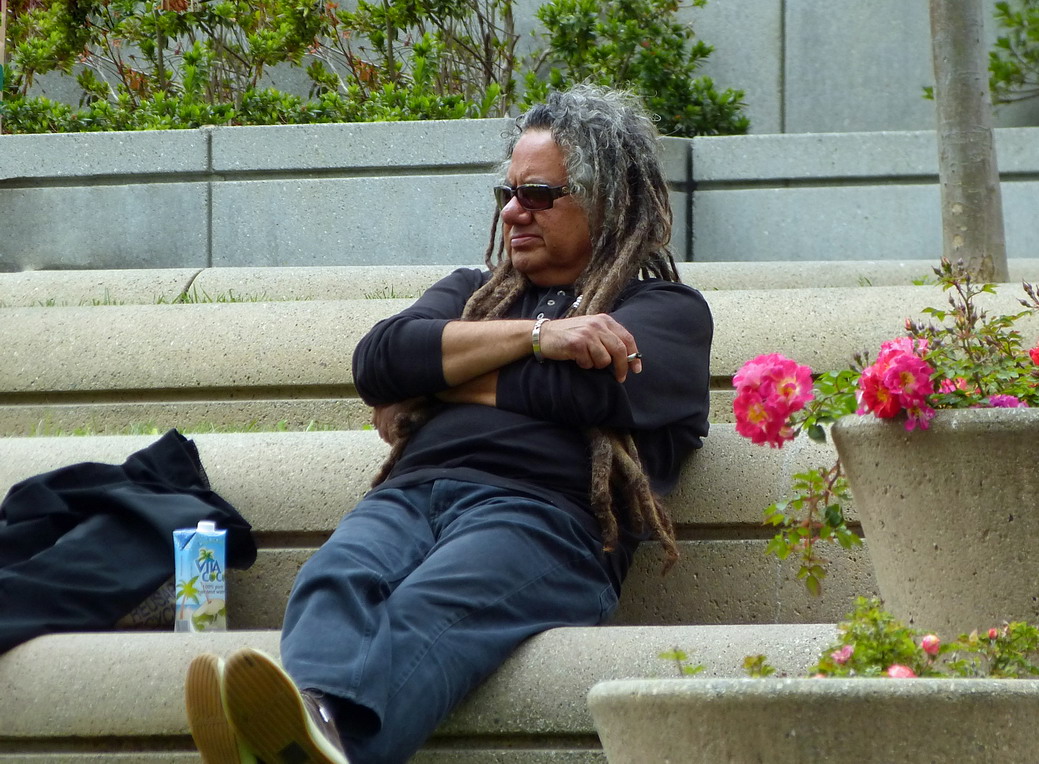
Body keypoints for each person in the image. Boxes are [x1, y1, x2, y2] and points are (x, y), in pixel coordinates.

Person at [184, 84, 713, 764]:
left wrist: (439, 383)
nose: (513, 211)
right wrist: (538, 336)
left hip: (545, 520)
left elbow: (581, 394)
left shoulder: (667, 311)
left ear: (607, 199)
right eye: (508, 193)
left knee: (425, 610)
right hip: (411, 495)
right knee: (333, 578)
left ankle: (310, 746)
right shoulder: (475, 291)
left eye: (538, 195)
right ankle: (312, 725)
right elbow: (381, 359)